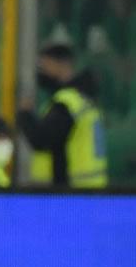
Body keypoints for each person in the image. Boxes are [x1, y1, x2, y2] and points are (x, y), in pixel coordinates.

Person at [17, 43, 107, 188]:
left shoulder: (66, 104)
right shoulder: (85, 99)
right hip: (89, 190)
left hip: (68, 195)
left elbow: (41, 140)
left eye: (46, 65)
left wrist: (25, 114)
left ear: (63, 65)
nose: (42, 71)